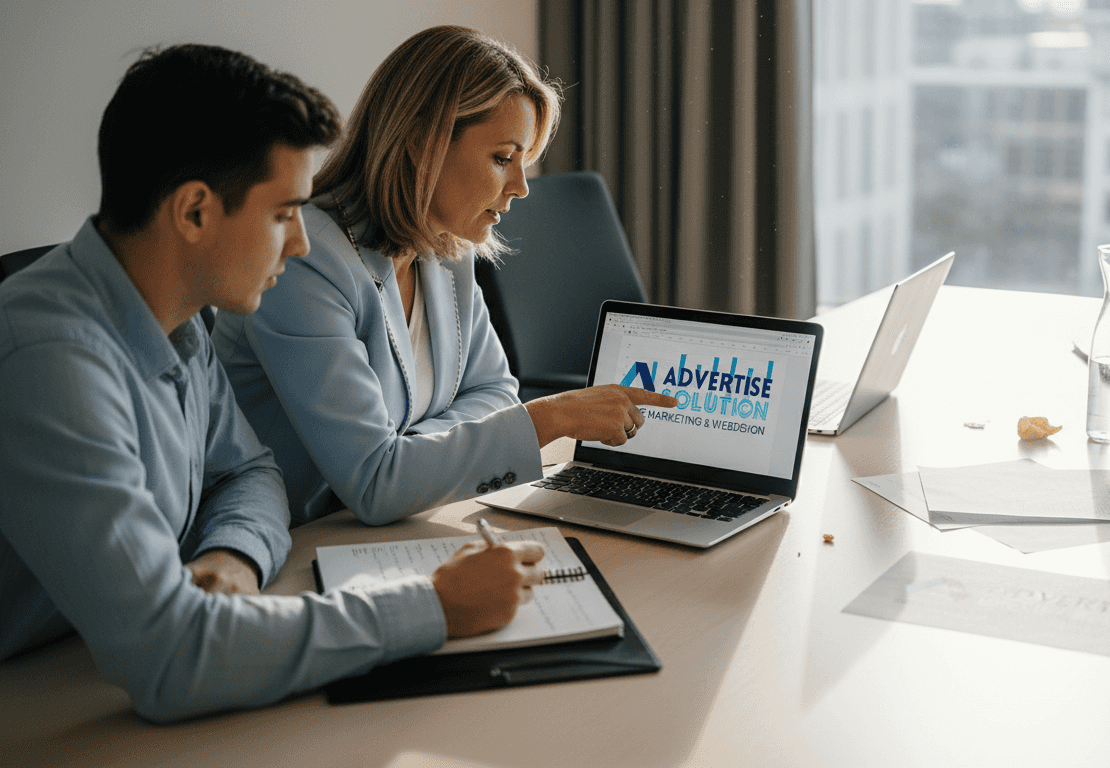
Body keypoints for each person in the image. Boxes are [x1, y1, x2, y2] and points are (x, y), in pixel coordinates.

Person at [0, 43, 543, 723]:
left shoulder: (178, 322)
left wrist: (234, 555)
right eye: (285, 213)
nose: (301, 243)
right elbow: (169, 658)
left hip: (85, 661)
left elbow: (248, 474)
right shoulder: (50, 357)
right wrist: (435, 605)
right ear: (195, 212)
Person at [211, 25, 677, 528]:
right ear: (421, 144)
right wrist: (550, 417)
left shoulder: (445, 249)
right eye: (503, 158)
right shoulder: (306, 262)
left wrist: (409, 458)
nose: (521, 187)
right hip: (285, 545)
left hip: (390, 527)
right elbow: (375, 483)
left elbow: (496, 392)